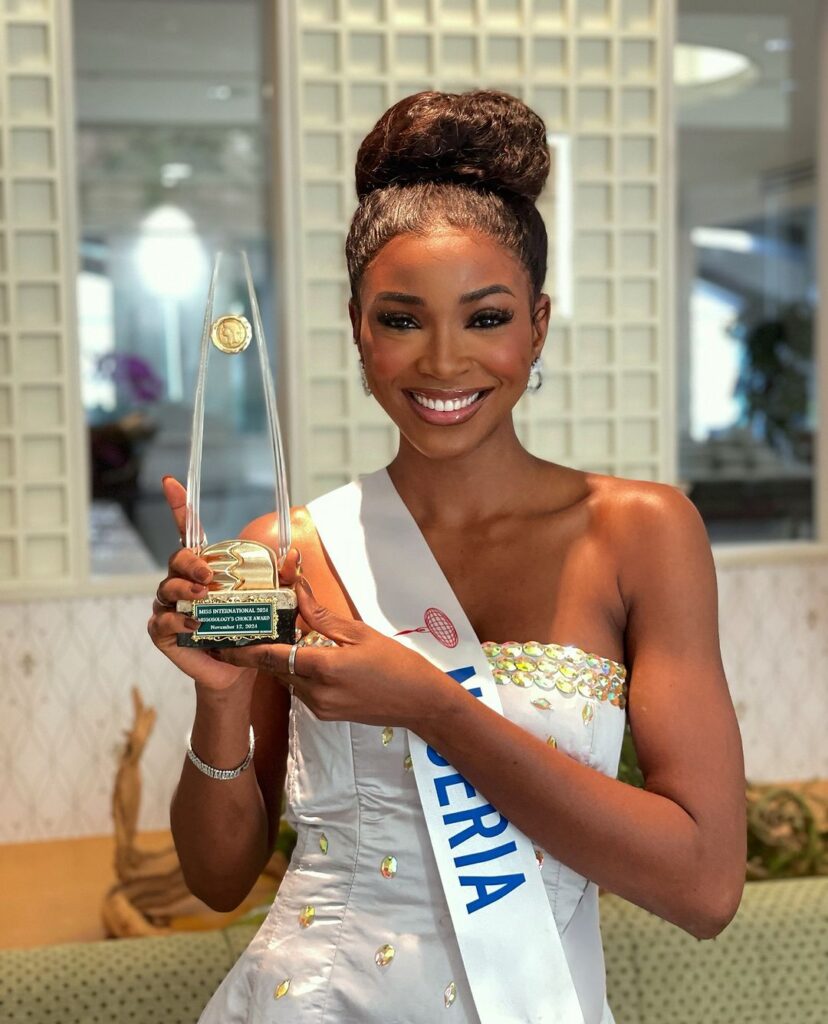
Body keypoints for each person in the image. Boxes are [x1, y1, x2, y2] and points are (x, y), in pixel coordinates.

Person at [148, 89, 747, 1024]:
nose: (442, 361)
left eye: (485, 317)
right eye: (401, 320)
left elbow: (705, 889)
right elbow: (219, 880)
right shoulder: (288, 552)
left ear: (537, 324)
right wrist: (220, 700)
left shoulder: (639, 534)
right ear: (357, 327)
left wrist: (432, 705)